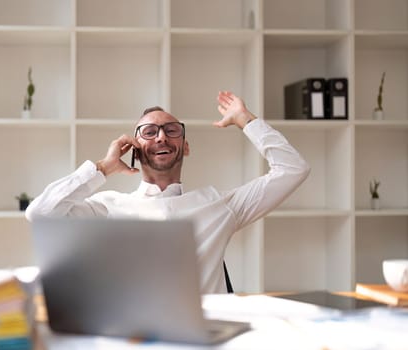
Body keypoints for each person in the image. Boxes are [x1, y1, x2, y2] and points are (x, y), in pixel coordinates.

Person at [26, 91, 310, 294]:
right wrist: (101, 168)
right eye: (149, 132)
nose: (161, 136)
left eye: (172, 130)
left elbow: (293, 169)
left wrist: (246, 120)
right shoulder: (107, 208)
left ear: (185, 146)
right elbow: (39, 213)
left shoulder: (221, 205)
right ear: (134, 149)